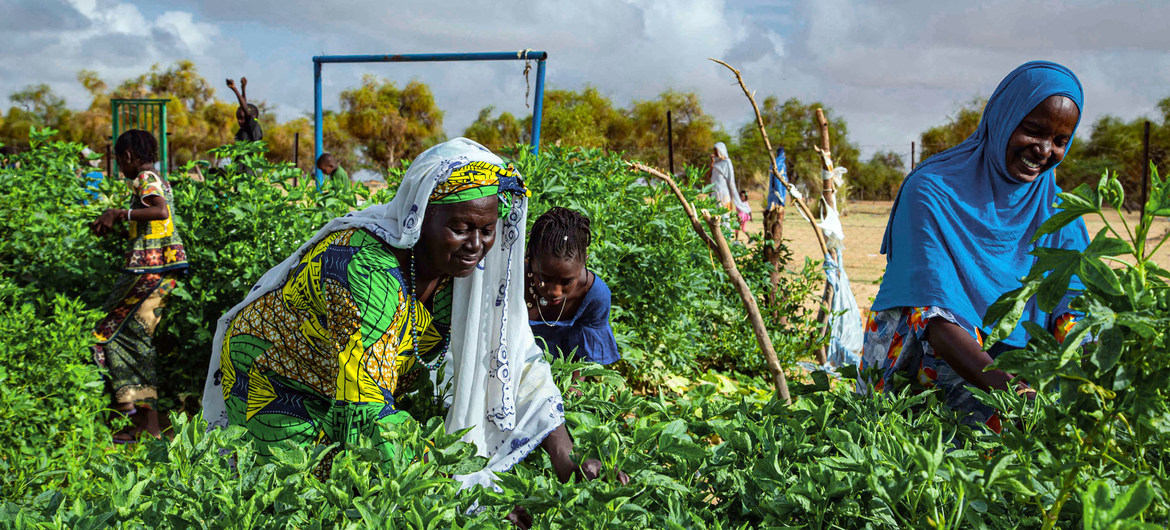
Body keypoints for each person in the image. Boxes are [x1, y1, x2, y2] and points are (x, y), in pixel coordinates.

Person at [201, 138, 622, 490]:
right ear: (420, 216)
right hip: (277, 383)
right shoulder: (360, 269)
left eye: (487, 230)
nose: (476, 245)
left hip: (355, 392)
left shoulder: (466, 271)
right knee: (310, 491)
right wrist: (464, 490)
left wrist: (571, 458)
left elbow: (513, 356)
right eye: (460, 228)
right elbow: (364, 411)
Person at [858, 61, 1087, 433]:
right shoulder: (932, 191)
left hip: (1021, 386)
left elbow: (1075, 309)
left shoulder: (1059, 213)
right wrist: (1014, 393)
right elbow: (935, 318)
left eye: (1061, 141)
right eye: (1033, 131)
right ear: (1003, 118)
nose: (1045, 150)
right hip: (926, 380)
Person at [89, 130, 189, 442]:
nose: (121, 168)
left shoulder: (145, 177)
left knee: (104, 330)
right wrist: (122, 224)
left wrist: (118, 213)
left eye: (120, 160)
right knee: (137, 340)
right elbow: (154, 224)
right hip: (161, 272)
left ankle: (128, 409)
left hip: (146, 273)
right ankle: (148, 425)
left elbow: (160, 211)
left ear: (130, 156)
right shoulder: (156, 177)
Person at [525, 207, 620, 375]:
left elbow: (581, 360)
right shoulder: (512, 279)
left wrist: (570, 391)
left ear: (584, 262)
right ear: (529, 258)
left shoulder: (594, 295)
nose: (555, 291)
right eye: (544, 278)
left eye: (566, 281)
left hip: (560, 375)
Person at [709, 142, 752, 238]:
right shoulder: (715, 163)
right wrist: (711, 163)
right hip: (715, 193)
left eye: (716, 150)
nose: (714, 152)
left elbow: (731, 181)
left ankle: (727, 238)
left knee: (725, 216)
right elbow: (709, 176)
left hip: (724, 194)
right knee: (715, 216)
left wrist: (734, 196)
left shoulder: (727, 162)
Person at [226, 77, 263, 143]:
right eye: (238, 118)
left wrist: (234, 89)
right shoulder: (244, 129)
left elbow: (246, 111)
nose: (239, 121)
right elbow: (244, 108)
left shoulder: (252, 127)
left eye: (241, 118)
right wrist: (243, 89)